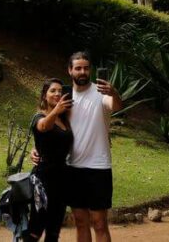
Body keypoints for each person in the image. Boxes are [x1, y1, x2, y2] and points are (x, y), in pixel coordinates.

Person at [46, 52, 121, 242]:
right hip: (73, 168)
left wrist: (114, 92)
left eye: (86, 68)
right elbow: (49, 128)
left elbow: (117, 106)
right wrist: (37, 150)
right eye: (78, 68)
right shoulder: (64, 99)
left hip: (98, 166)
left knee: (99, 223)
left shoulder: (101, 93)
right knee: (80, 221)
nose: (82, 72)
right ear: (70, 70)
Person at [31, 78, 74, 242]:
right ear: (44, 96)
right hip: (43, 179)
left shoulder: (64, 120)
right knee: (36, 226)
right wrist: (55, 110)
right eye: (53, 91)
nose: (57, 94)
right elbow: (43, 127)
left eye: (60, 91)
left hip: (62, 178)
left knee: (54, 229)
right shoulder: (39, 116)